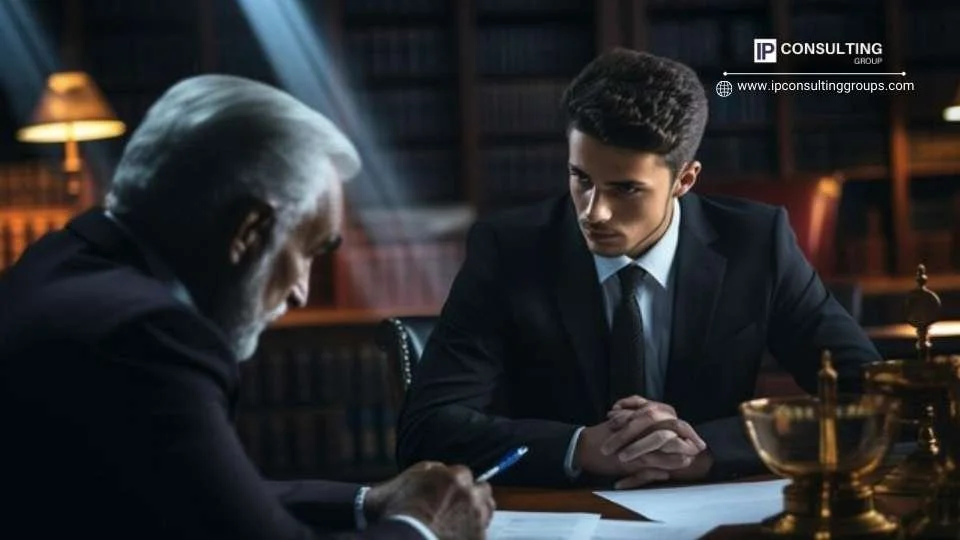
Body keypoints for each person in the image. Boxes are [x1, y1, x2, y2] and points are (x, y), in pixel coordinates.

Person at [0, 75, 494, 539]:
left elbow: (197, 488)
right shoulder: (148, 337)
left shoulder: (62, 259)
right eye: (307, 251)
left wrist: (369, 501)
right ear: (249, 232)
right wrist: (425, 527)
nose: (301, 290)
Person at [396, 48, 882, 489]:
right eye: (580, 178)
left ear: (684, 180)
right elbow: (426, 430)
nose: (593, 212)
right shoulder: (509, 250)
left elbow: (875, 399)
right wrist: (581, 447)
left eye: (625, 189)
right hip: (563, 515)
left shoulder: (757, 245)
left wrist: (709, 450)